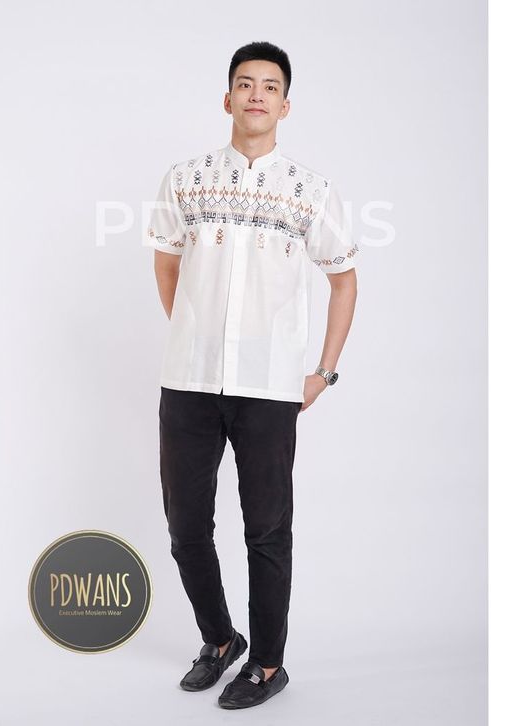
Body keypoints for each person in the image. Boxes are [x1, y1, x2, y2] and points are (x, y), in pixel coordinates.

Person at [146, 40, 359, 709]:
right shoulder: (186, 178)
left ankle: (267, 663)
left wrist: (323, 372)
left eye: (270, 86)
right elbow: (167, 262)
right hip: (188, 381)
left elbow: (344, 279)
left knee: (266, 530)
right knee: (185, 527)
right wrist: (194, 330)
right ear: (228, 98)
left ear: (285, 105)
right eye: (245, 83)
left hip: (269, 386)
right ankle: (220, 639)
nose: (257, 94)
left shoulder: (310, 191)